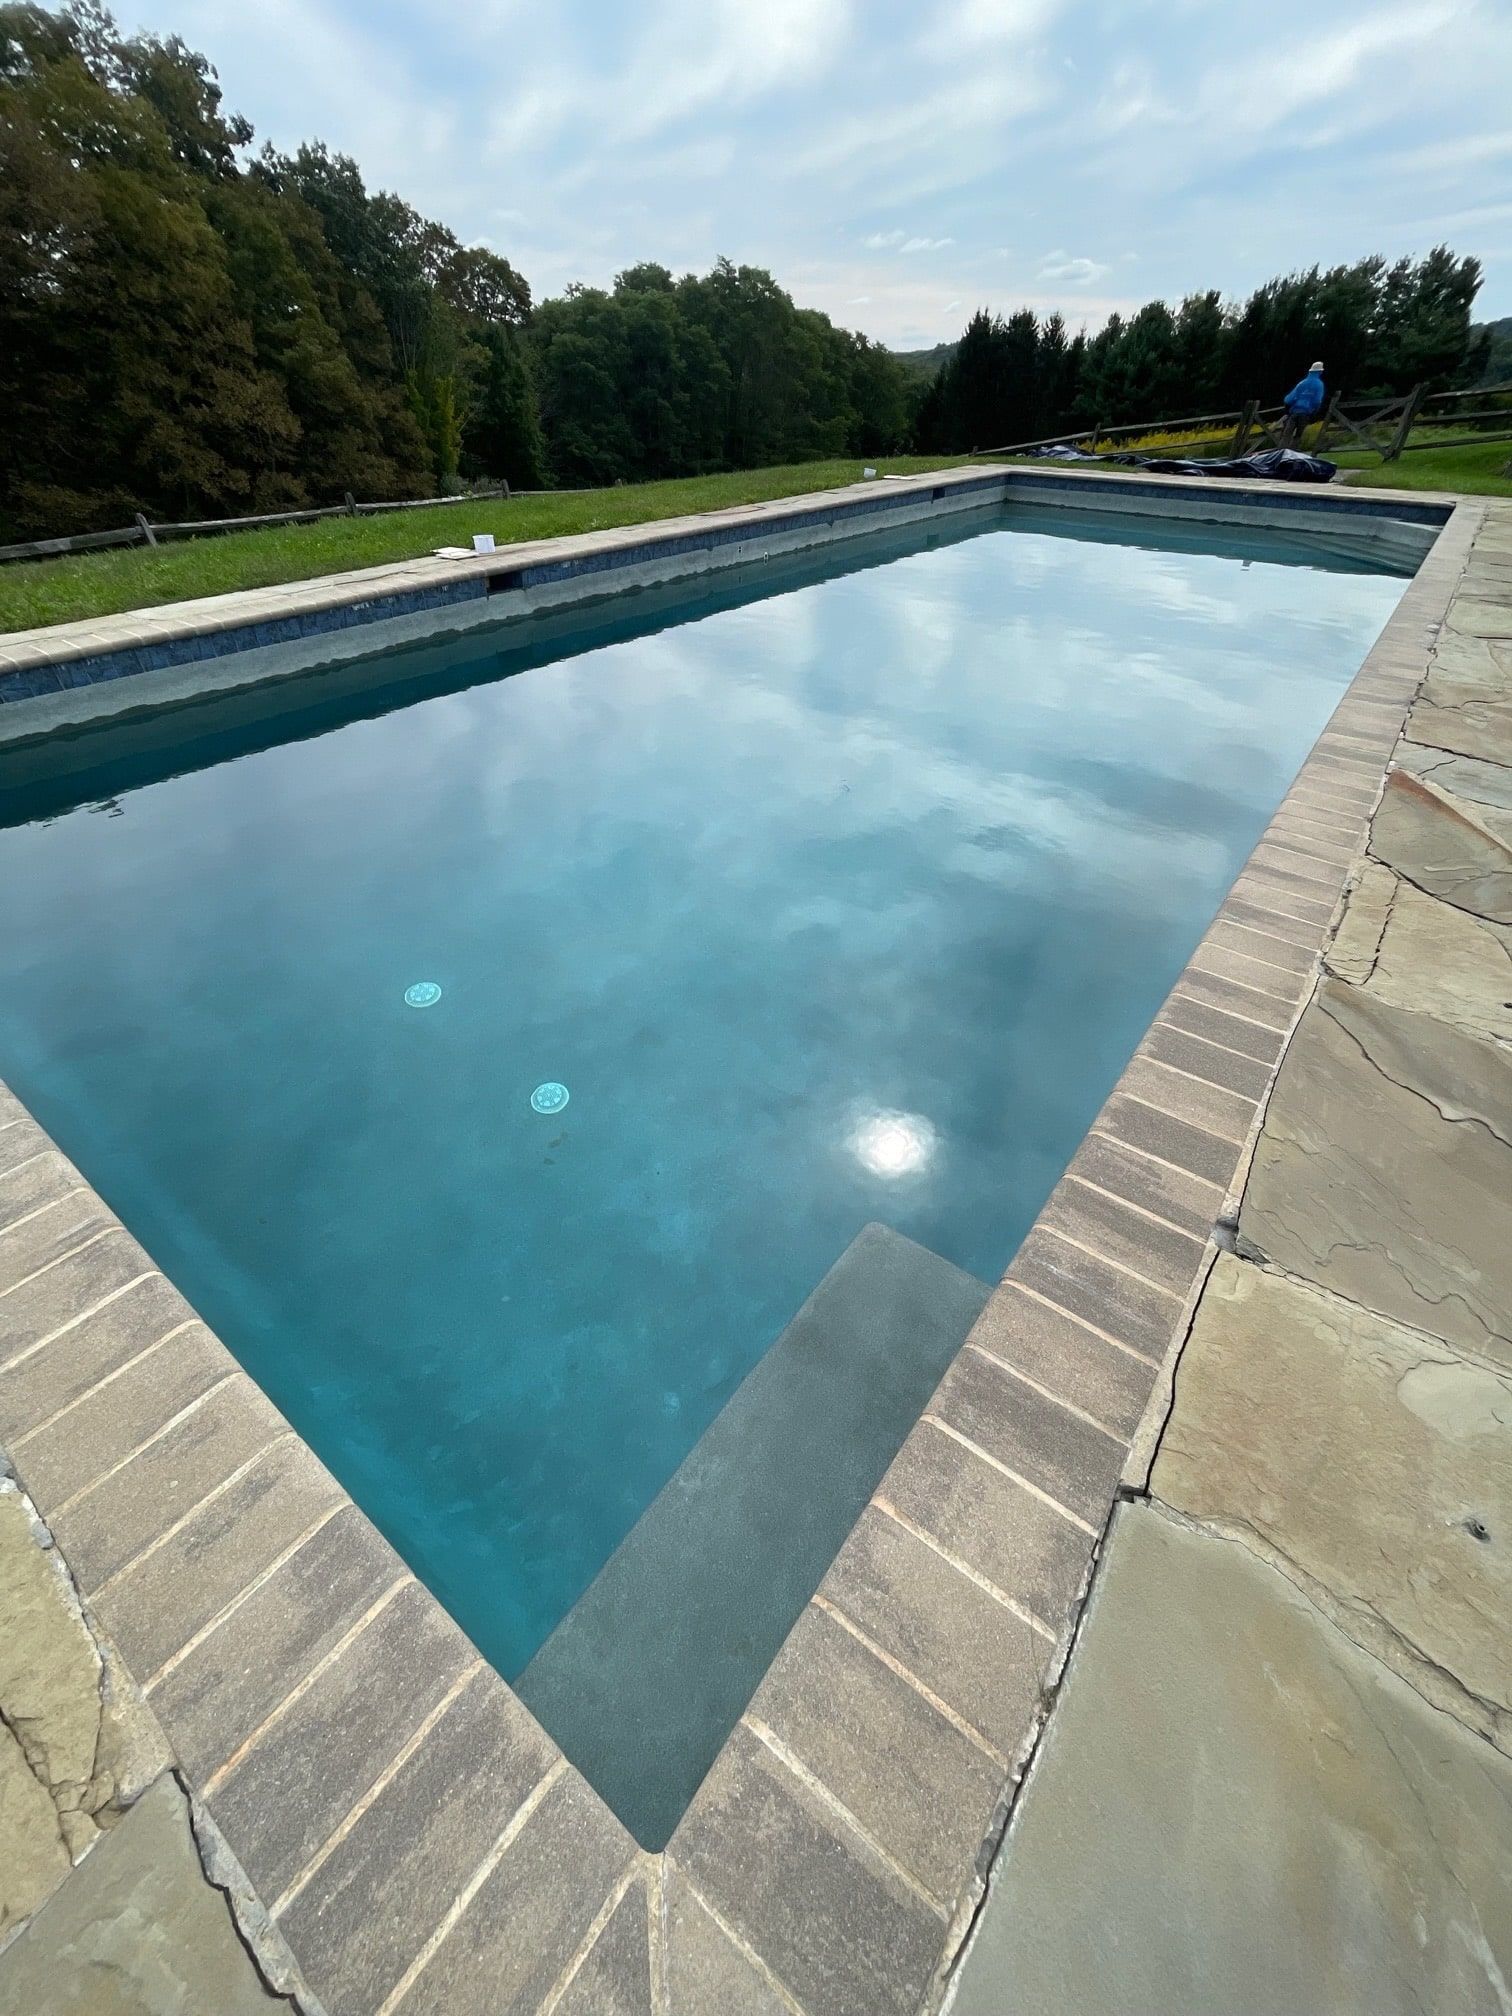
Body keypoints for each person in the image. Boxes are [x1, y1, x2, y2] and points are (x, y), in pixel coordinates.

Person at [1280, 361, 1326, 448]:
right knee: (1298, 435)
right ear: (1320, 372)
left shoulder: (1302, 383)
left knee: (1286, 434)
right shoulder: (1319, 384)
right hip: (1306, 413)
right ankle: (1292, 454)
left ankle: (1281, 453)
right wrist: (1315, 411)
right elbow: (1317, 401)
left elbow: (1289, 399)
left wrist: (1288, 409)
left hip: (1294, 412)